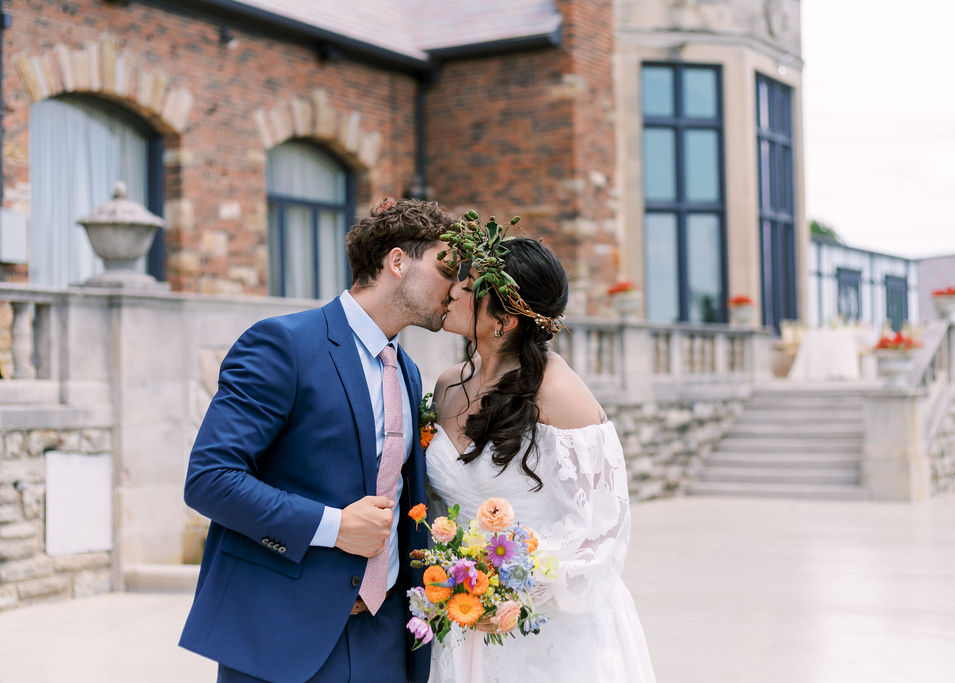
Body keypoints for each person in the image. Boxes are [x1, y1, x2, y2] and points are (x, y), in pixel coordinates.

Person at [179, 198, 458, 682]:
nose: (456, 287)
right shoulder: (283, 345)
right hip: (281, 637)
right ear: (398, 262)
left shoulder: (409, 372)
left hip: (385, 637)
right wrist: (333, 527)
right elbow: (210, 480)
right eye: (447, 268)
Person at [424, 227, 656, 682]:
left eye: (468, 288)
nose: (452, 290)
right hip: (458, 618)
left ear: (503, 320)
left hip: (544, 631)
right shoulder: (448, 384)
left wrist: (509, 587)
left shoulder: (561, 395)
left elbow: (600, 533)